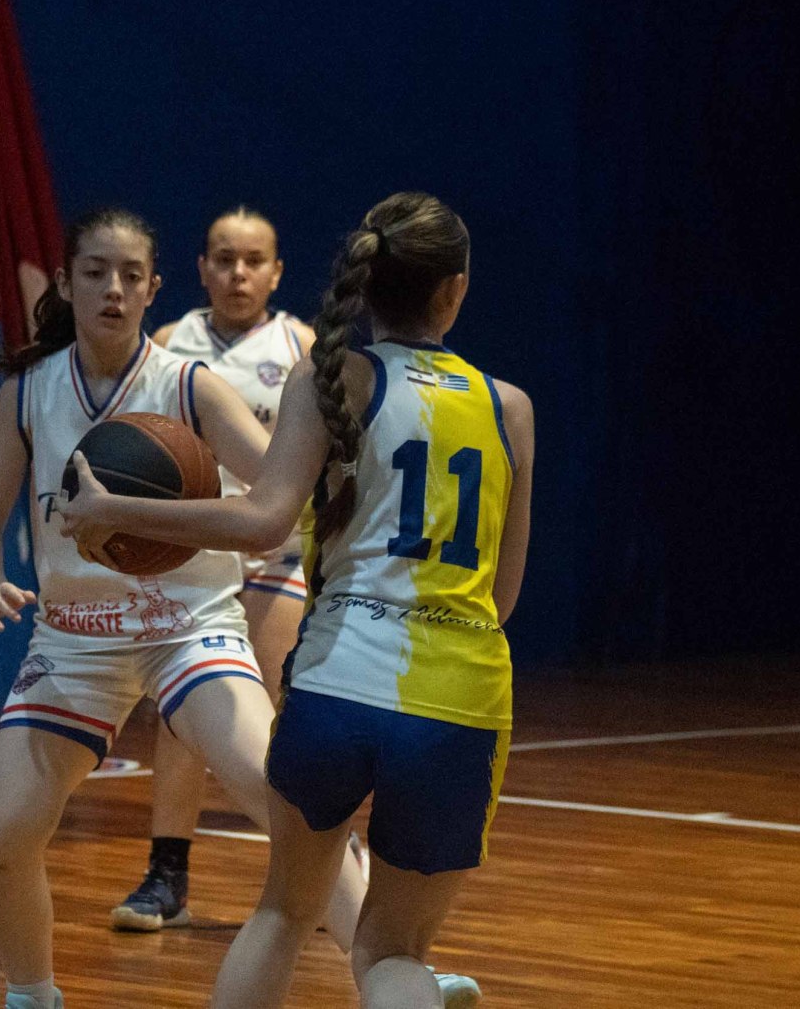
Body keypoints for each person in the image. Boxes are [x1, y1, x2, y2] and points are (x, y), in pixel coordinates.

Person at [61, 191, 533, 1009]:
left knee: (282, 913)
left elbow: (261, 520)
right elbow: (504, 594)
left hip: (336, 686)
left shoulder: (330, 378)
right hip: (458, 700)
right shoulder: (510, 408)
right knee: (393, 953)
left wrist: (115, 509)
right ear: (454, 290)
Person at [0, 207, 377, 1009]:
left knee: (278, 793)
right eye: (95, 273)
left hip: (187, 624)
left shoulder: (188, 384)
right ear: (66, 283)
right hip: (74, 637)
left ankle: (388, 973)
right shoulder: (29, 393)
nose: (112, 289)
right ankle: (32, 993)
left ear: (154, 288)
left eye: (129, 275)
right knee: (4, 838)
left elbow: (279, 490)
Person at [110, 208, 315, 933]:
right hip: (195, 557)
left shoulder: (302, 346)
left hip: (277, 554)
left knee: (287, 720)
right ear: (201, 268)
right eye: (224, 259)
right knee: (184, 712)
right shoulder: (170, 344)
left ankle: (316, 871)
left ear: (277, 272)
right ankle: (167, 873)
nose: (238, 273)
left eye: (253, 261)